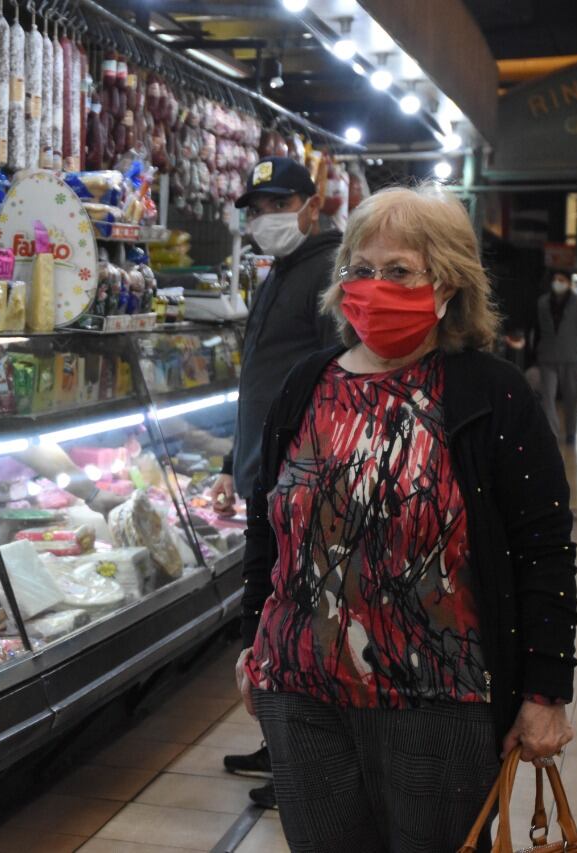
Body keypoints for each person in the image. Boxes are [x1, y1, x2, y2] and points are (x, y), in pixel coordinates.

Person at [237, 185, 577, 852]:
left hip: (437, 704)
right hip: (300, 694)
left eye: (398, 270)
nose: (374, 285)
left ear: (447, 284)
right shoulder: (306, 382)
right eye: (360, 269)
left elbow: (542, 548)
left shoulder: (492, 392)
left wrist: (546, 686)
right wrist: (252, 638)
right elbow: (266, 526)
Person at [209, 155, 342, 809]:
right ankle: (277, 743)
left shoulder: (327, 274)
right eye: (255, 208)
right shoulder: (281, 271)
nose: (262, 218)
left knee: (293, 619)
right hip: (265, 473)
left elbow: (333, 384)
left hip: (297, 482)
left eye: (273, 205)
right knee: (269, 619)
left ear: (310, 207)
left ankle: (298, 762)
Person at [533, 268, 577, 445]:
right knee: (547, 398)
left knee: (571, 398)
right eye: (555, 279)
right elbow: (537, 331)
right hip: (547, 357)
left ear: (569, 282)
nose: (557, 283)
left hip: (571, 358)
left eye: (561, 279)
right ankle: (552, 433)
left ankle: (571, 432)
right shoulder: (542, 303)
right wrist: (534, 356)